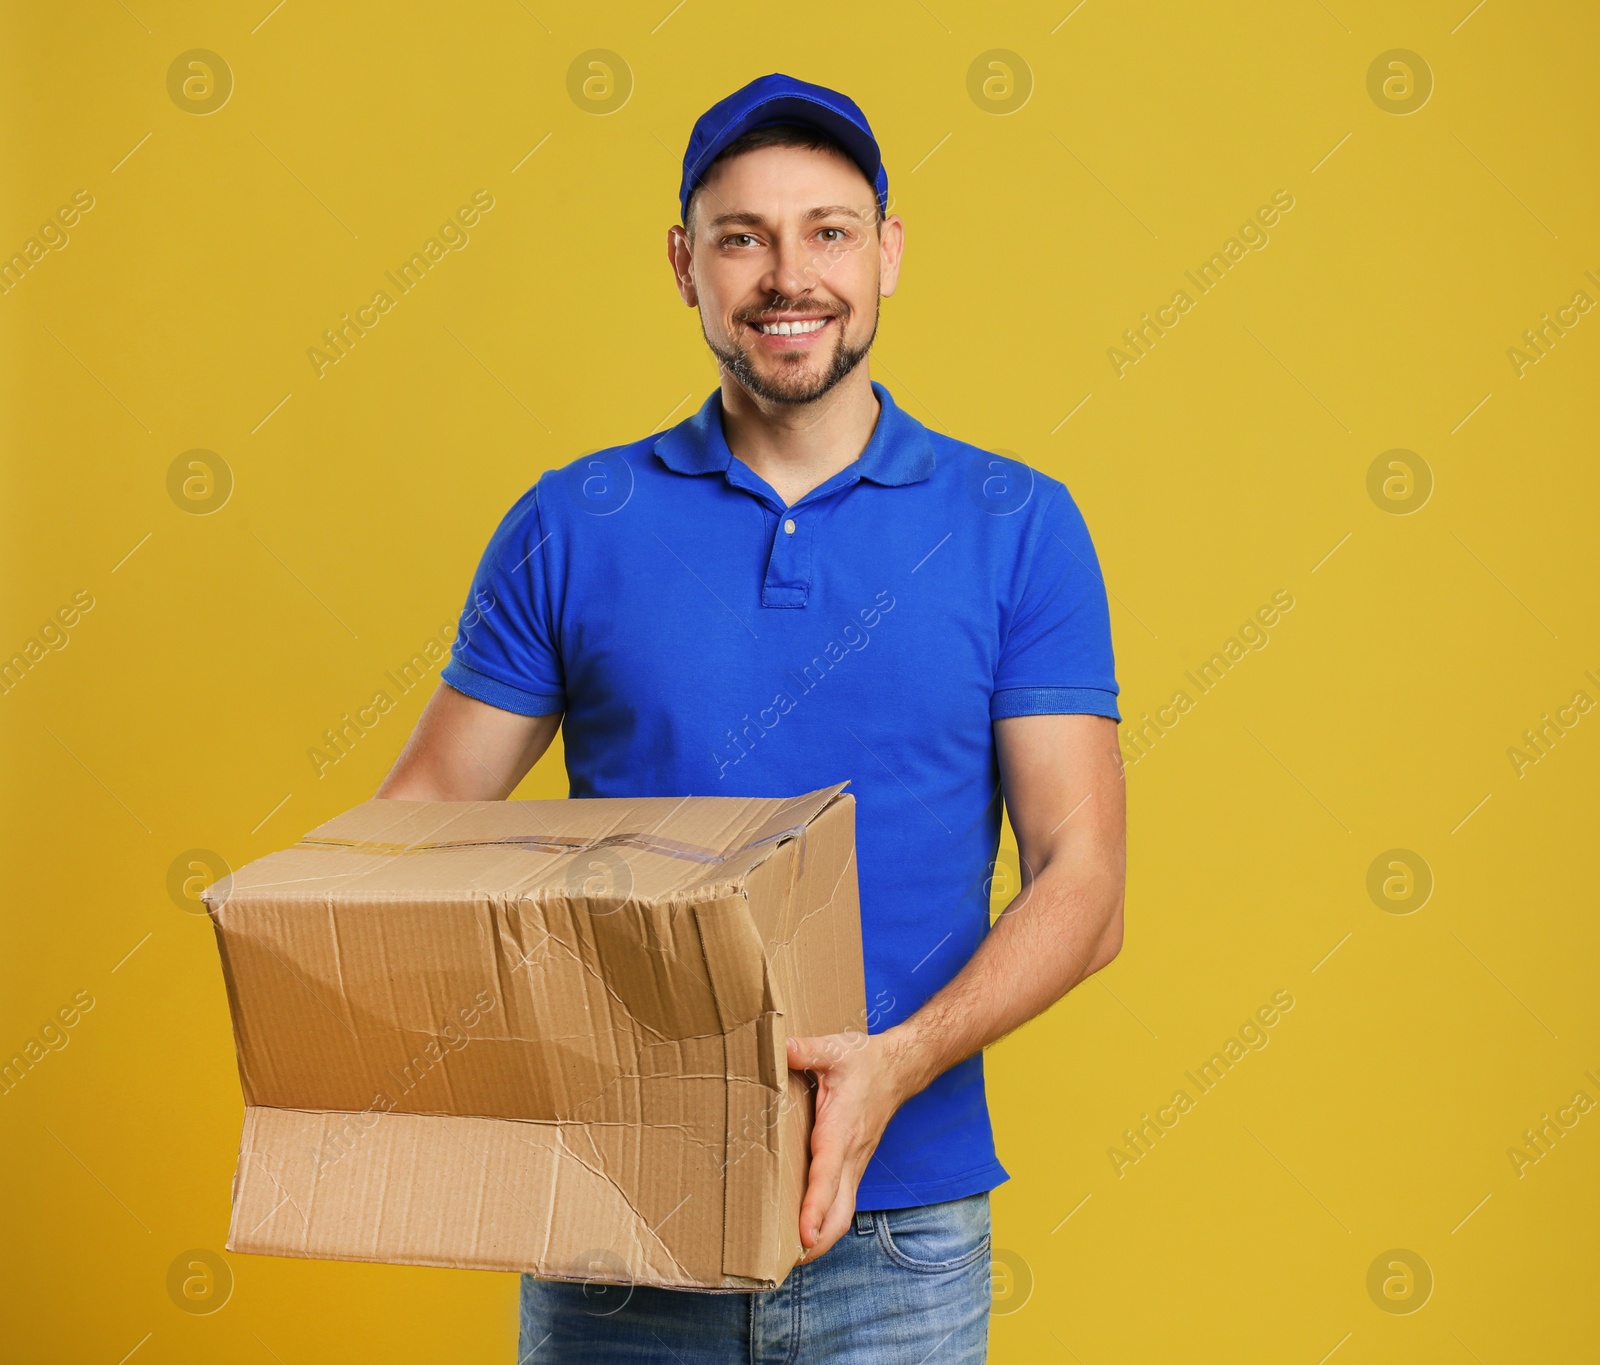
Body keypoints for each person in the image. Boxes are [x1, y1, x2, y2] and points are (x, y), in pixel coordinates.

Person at [378, 72, 1126, 1364]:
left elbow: (1088, 881)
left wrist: (899, 1061)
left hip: (898, 1238)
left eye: (829, 231)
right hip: (618, 1227)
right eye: (744, 237)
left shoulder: (1017, 527)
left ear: (888, 252)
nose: (792, 275)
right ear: (686, 264)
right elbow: (415, 829)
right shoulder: (570, 525)